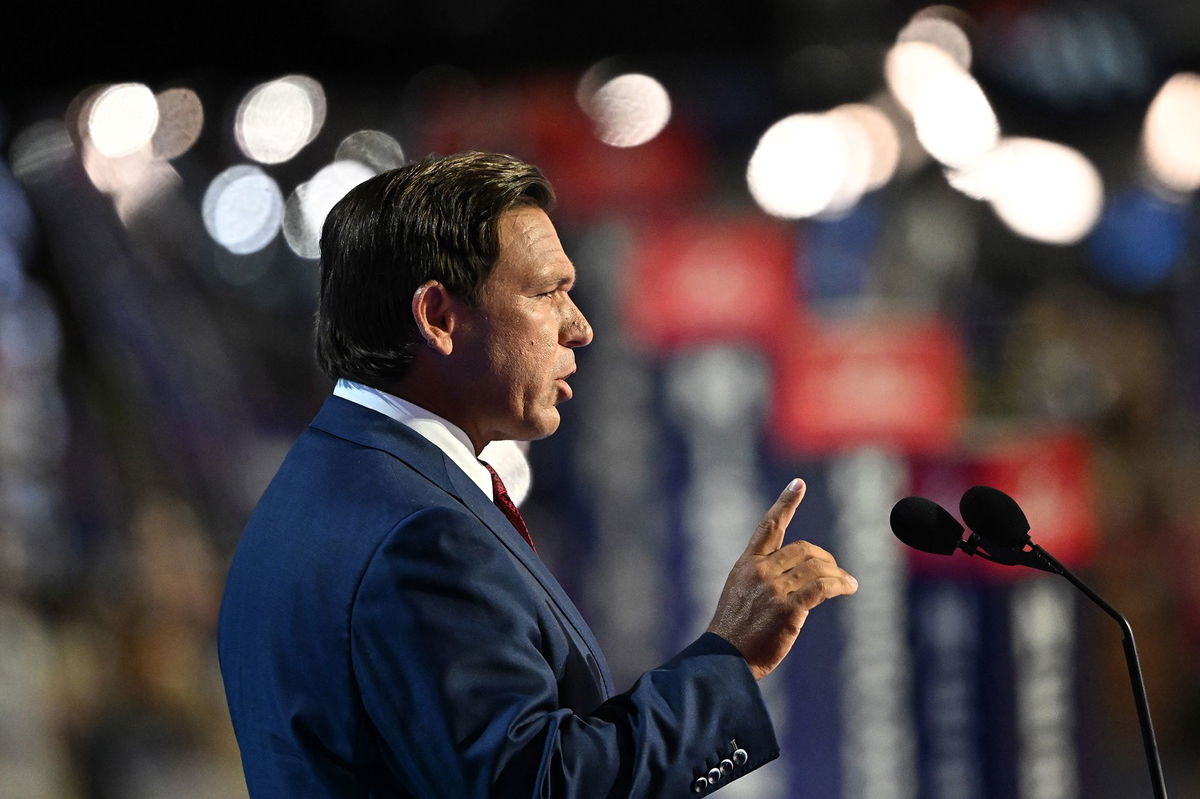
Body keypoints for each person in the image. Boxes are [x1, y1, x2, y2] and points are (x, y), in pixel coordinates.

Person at [217, 151, 859, 797]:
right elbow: (541, 784)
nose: (579, 327)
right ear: (439, 317)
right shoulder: (421, 534)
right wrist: (731, 657)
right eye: (548, 292)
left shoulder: (319, 481)